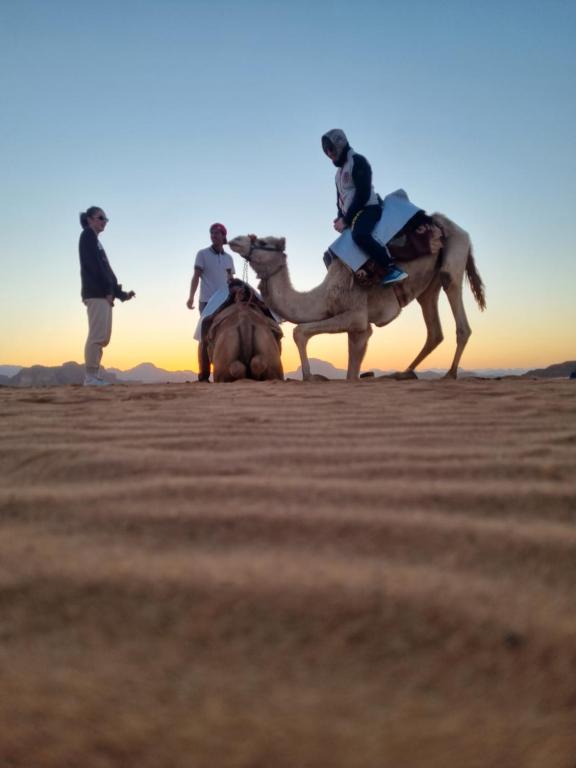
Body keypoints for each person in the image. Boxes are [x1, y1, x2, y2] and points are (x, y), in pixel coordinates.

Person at [321, 129, 408, 285]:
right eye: (326, 150)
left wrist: (346, 219)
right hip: (352, 216)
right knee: (336, 251)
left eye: (331, 148)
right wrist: (340, 217)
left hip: (368, 209)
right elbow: (339, 200)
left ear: (340, 144)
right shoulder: (337, 175)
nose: (329, 153)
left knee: (360, 235)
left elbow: (363, 193)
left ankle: (391, 268)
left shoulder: (357, 161)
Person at [78, 206, 135, 387]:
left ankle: (94, 375)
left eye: (105, 219)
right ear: (89, 219)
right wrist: (107, 291)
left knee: (103, 336)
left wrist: (121, 294)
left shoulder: (95, 240)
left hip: (102, 294)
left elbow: (107, 271)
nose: (104, 222)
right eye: (100, 218)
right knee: (97, 335)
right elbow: (94, 266)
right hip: (96, 293)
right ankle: (90, 377)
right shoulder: (87, 236)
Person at [186, 222, 235, 381]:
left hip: (225, 301)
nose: (214, 235)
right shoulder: (202, 254)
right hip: (206, 301)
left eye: (217, 233)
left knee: (226, 334)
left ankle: (225, 372)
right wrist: (191, 297)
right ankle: (204, 376)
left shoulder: (229, 258)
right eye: (212, 233)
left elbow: (230, 280)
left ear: (223, 236)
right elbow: (196, 276)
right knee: (205, 336)